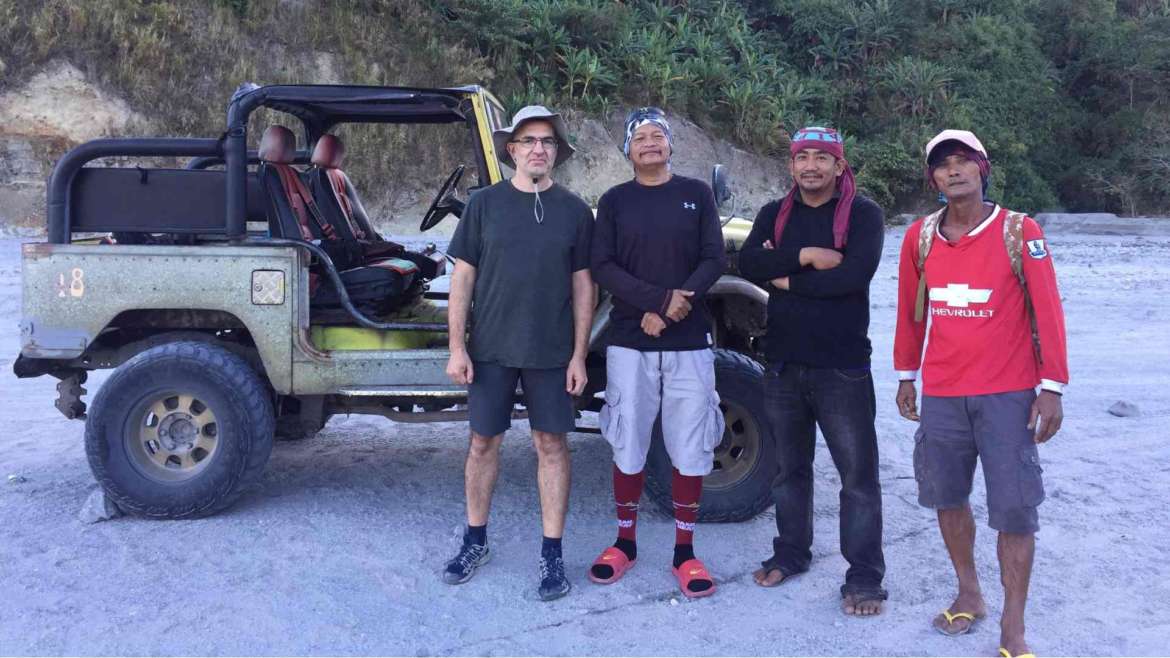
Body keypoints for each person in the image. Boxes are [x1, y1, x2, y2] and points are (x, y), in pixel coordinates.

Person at [894, 129, 1068, 656]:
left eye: (963, 162)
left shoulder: (1020, 230)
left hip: (1009, 394)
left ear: (982, 167)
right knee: (947, 497)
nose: (954, 171)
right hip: (944, 393)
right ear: (933, 178)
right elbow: (911, 313)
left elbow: (1049, 310)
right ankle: (969, 591)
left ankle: (1013, 624)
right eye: (943, 165)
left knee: (1014, 510)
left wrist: (1051, 387)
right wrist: (906, 375)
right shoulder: (919, 237)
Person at [442, 105, 595, 602]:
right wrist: (457, 346)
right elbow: (462, 278)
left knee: (551, 447)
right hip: (490, 351)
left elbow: (583, 287)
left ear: (557, 152)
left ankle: (552, 554)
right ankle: (475, 540)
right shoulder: (484, 205)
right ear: (511, 150)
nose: (537, 149)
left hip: (551, 353)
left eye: (547, 142)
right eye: (528, 141)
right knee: (483, 444)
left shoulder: (574, 211)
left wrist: (579, 355)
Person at [738, 126, 888, 615]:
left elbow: (851, 277)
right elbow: (748, 263)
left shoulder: (863, 215)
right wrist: (803, 257)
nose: (811, 167)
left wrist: (785, 280)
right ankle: (791, 553)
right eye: (803, 158)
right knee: (789, 471)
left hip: (842, 368)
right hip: (781, 364)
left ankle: (864, 577)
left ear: (839, 165)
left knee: (857, 478)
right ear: (791, 165)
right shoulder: (774, 215)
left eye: (823, 158)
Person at [588, 107, 727, 599]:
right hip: (630, 340)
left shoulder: (697, 194)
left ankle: (684, 552)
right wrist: (655, 301)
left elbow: (714, 258)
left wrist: (670, 309)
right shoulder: (615, 201)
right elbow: (601, 264)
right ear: (628, 150)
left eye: (657, 136)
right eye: (639, 137)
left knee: (691, 445)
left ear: (670, 146)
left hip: (688, 342)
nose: (649, 142)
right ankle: (625, 542)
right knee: (627, 440)